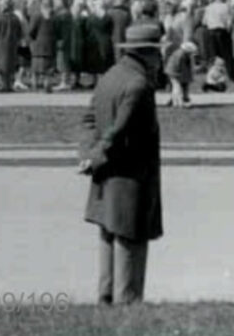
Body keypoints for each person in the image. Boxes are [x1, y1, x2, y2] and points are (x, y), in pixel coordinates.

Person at [79, 22, 164, 306]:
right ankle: (128, 302)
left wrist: (88, 154)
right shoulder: (139, 85)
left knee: (108, 232)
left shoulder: (111, 75)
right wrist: (97, 154)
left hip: (106, 173)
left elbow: (90, 119)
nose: (160, 59)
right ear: (148, 53)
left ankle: (106, 296)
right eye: (158, 53)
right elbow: (120, 130)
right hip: (131, 174)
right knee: (130, 238)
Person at [164, 41, 196, 108]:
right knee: (176, 86)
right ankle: (178, 103)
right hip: (174, 72)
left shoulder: (182, 54)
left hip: (175, 71)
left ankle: (175, 102)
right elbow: (178, 66)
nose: (191, 54)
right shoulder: (180, 55)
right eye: (191, 52)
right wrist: (182, 76)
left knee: (178, 87)